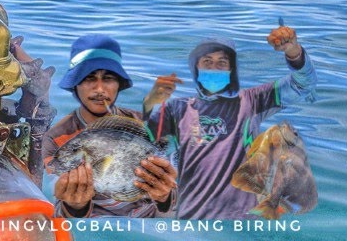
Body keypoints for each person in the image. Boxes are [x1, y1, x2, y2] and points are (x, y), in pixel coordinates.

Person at [142, 25, 318, 220]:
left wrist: (293, 52)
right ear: (196, 68)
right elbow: (143, 145)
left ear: (231, 68)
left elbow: (303, 84)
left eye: (222, 62)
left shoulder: (252, 101)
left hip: (243, 225)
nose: (214, 68)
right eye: (207, 62)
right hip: (191, 222)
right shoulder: (177, 109)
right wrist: (149, 104)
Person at [44, 34, 177, 218]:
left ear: (119, 84)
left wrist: (165, 196)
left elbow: (172, 194)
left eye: (108, 78)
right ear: (75, 84)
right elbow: (53, 203)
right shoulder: (54, 138)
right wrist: (75, 206)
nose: (99, 89)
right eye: (89, 78)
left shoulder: (148, 127)